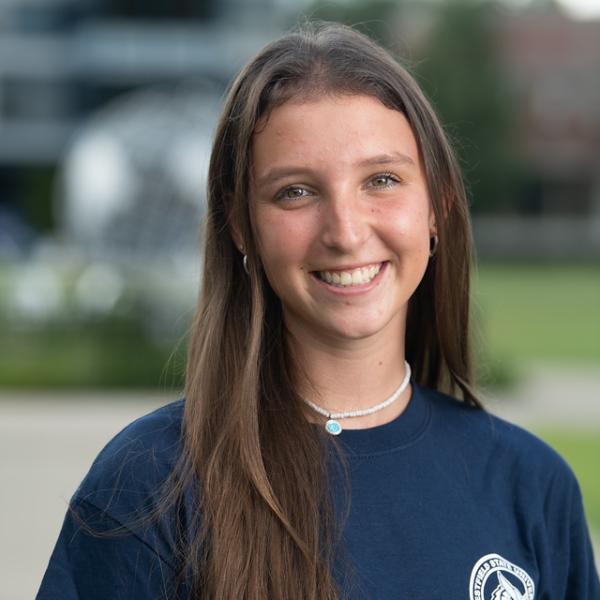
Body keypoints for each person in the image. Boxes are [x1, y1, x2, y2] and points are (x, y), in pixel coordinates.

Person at [37, 22, 600, 600]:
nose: (347, 233)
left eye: (381, 180)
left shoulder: (531, 486)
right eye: (296, 192)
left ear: (437, 206)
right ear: (240, 226)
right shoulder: (149, 485)